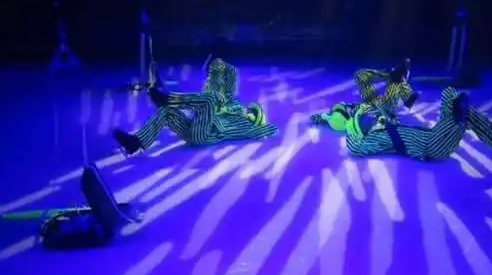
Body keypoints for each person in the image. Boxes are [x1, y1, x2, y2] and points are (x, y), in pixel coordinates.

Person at [112, 59, 277, 155]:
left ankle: (168, 98)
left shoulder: (247, 127)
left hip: (205, 136)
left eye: (252, 112)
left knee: (209, 100)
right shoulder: (231, 109)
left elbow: (270, 129)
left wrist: (256, 123)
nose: (247, 110)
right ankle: (136, 143)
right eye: (249, 108)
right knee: (167, 112)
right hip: (194, 129)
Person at [344, 86, 492, 163]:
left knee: (467, 111)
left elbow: (382, 110)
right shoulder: (374, 138)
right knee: (451, 97)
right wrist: (351, 130)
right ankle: (457, 113)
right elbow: (355, 148)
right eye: (363, 121)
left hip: (437, 137)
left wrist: (375, 113)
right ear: (361, 130)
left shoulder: (386, 125)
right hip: (431, 147)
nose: (367, 118)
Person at [310, 59, 420, 131]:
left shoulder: (346, 112)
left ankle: (390, 76)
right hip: (382, 111)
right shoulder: (355, 122)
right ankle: (404, 91)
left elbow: (319, 117)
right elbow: (386, 123)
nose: (346, 107)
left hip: (371, 102)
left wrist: (321, 117)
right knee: (395, 84)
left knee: (359, 75)